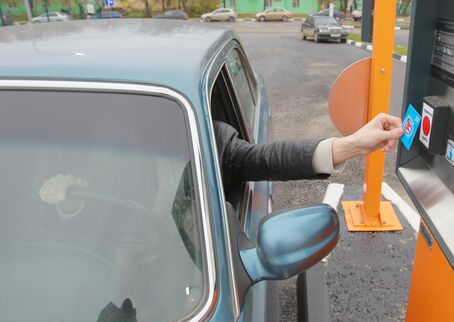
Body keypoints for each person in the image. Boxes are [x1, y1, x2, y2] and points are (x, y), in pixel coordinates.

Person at [39, 113, 403, 209]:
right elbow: (92, 212)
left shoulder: (212, 140)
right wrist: (69, 201)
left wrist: (353, 145)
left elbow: (266, 159)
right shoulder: (111, 160)